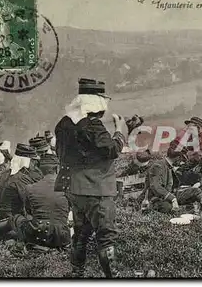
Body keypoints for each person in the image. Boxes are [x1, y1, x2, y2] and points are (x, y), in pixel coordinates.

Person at [55, 78, 141, 278]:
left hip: (73, 187)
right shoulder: (93, 125)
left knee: (81, 232)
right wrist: (120, 130)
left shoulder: (64, 124)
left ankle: (77, 272)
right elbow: (111, 150)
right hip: (96, 188)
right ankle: (113, 278)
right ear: (95, 103)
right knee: (106, 236)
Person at [0, 155, 71, 249]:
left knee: (16, 218)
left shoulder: (30, 188)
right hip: (62, 238)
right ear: (57, 168)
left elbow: (29, 212)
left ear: (40, 169)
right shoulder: (68, 187)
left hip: (38, 236)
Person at [141, 147, 202, 215]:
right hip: (156, 199)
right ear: (178, 157)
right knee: (169, 207)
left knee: (196, 191)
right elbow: (156, 187)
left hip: (171, 194)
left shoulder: (169, 166)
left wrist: (183, 189)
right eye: (182, 158)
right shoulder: (158, 165)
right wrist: (173, 198)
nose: (182, 161)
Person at [0, 144, 43, 224]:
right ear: (26, 161)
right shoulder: (20, 178)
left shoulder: (5, 174)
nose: (34, 164)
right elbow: (31, 203)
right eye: (33, 161)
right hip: (10, 222)